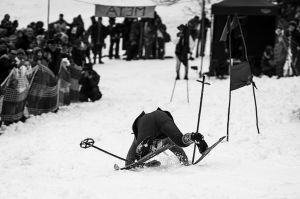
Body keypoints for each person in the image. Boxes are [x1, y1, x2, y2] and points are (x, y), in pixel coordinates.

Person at [125, 108, 208, 166]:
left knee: (140, 153)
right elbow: (179, 151)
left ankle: (145, 146)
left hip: (145, 123)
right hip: (161, 116)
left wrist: (142, 164)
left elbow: (129, 161)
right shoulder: (166, 140)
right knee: (180, 141)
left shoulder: (138, 139)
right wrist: (185, 162)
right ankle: (194, 136)